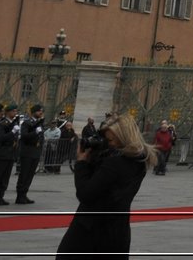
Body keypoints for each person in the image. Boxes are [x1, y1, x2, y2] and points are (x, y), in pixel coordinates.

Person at [56, 111, 158, 258]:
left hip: (92, 229)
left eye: (110, 141)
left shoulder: (114, 164)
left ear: (123, 139)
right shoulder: (139, 162)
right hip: (118, 229)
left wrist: (82, 163)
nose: (107, 144)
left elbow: (85, 194)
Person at [15, 104, 46, 204]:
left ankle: (24, 194)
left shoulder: (40, 123)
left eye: (41, 111)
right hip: (27, 152)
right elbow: (24, 136)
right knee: (24, 174)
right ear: (33, 112)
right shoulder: (27, 123)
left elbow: (41, 138)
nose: (41, 113)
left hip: (35, 152)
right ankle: (20, 196)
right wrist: (35, 132)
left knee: (30, 175)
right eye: (39, 111)